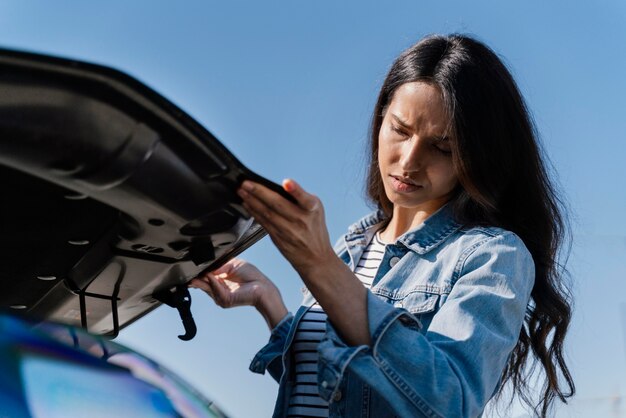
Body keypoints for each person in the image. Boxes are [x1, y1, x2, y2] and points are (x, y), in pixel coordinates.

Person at [189, 34, 575, 418]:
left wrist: (320, 266)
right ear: (380, 119)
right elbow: (331, 395)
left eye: (441, 147)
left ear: (477, 157)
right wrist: (270, 303)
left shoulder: (493, 255)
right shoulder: (352, 245)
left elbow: (449, 402)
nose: (409, 161)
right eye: (401, 130)